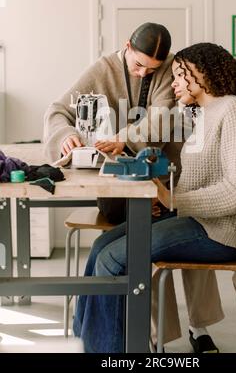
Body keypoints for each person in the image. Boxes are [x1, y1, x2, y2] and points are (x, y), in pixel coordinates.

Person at [74, 42, 236, 353]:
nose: (172, 83)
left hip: (219, 233)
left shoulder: (235, 112)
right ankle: (85, 342)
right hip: (198, 220)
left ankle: (107, 351)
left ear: (200, 74)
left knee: (113, 259)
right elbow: (205, 178)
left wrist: (173, 200)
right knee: (100, 246)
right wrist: (166, 199)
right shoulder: (206, 113)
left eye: (179, 75)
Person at [44, 24, 223, 353]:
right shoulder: (103, 69)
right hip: (128, 180)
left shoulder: (172, 69)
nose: (144, 73)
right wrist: (63, 136)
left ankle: (199, 326)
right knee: (138, 249)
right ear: (126, 46)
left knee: (184, 244)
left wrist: (121, 139)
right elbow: (58, 111)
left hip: (173, 174)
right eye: (138, 65)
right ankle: (156, 336)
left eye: (152, 69)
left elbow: (159, 120)